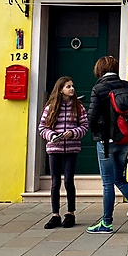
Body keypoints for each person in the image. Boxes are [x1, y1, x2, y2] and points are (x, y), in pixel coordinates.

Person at [84, 55, 128, 234]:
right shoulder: (126, 86)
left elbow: (92, 116)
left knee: (107, 183)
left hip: (106, 142)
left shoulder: (98, 88)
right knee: (119, 179)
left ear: (99, 70)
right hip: (125, 139)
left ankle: (106, 223)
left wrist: (96, 132)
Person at [37, 76, 87, 230]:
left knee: (68, 181)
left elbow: (84, 126)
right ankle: (55, 215)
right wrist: (52, 135)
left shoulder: (78, 107)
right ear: (60, 90)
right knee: (55, 182)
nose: (72, 89)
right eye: (68, 86)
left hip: (72, 148)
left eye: (72, 86)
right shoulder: (50, 108)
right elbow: (42, 128)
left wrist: (72, 133)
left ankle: (71, 213)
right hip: (54, 149)